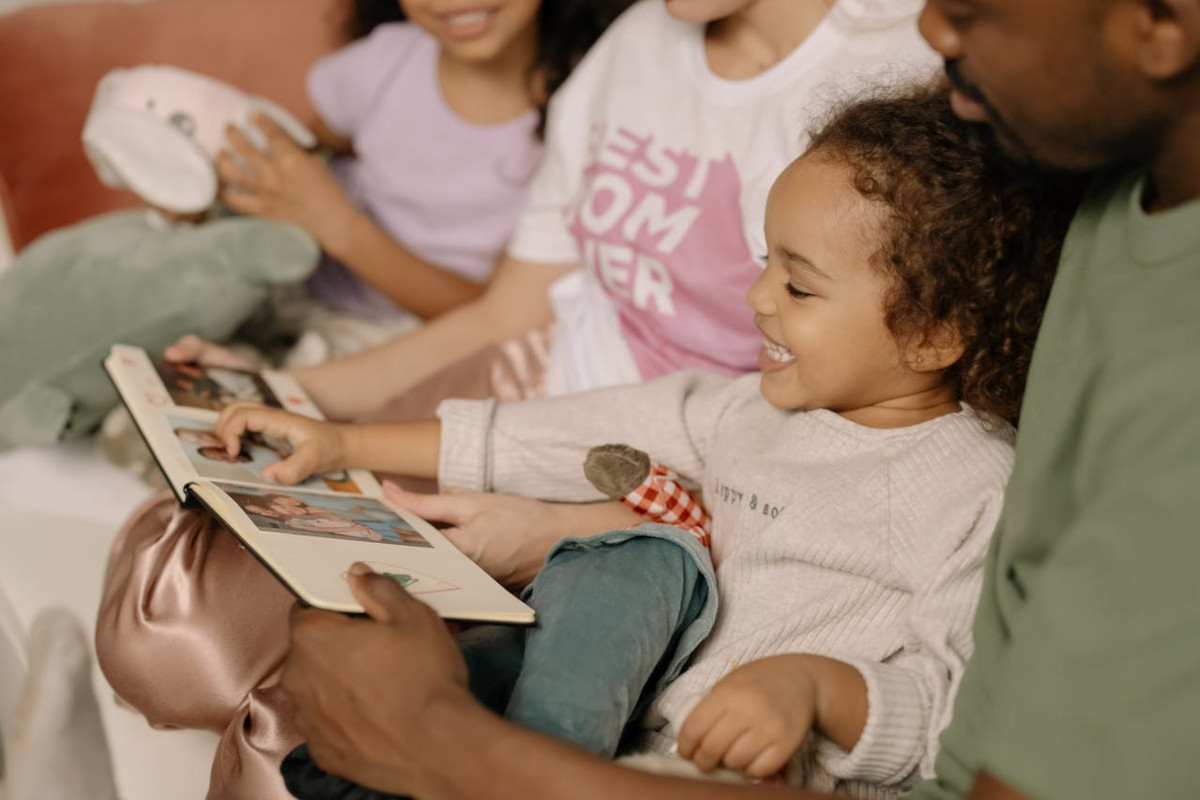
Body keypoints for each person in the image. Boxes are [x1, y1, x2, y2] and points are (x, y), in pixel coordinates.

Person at [271, 0, 1200, 798]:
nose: (927, 22)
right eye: (766, 267)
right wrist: (344, 438)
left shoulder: (972, 486)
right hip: (642, 735)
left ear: (933, 333)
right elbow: (574, 430)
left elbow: (948, 699)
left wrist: (818, 688)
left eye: (796, 286)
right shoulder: (754, 411)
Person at [95, 3, 940, 798]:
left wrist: (578, 530)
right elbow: (508, 312)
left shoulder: (909, 72)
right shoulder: (640, 42)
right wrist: (299, 401)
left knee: (277, 694)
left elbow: (848, 462)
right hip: (532, 425)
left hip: (665, 515)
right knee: (172, 592)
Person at [219, 0, 628, 340]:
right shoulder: (383, 62)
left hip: (411, 338)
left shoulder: (589, 110)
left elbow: (495, 315)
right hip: (286, 287)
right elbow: (300, 152)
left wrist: (338, 225)